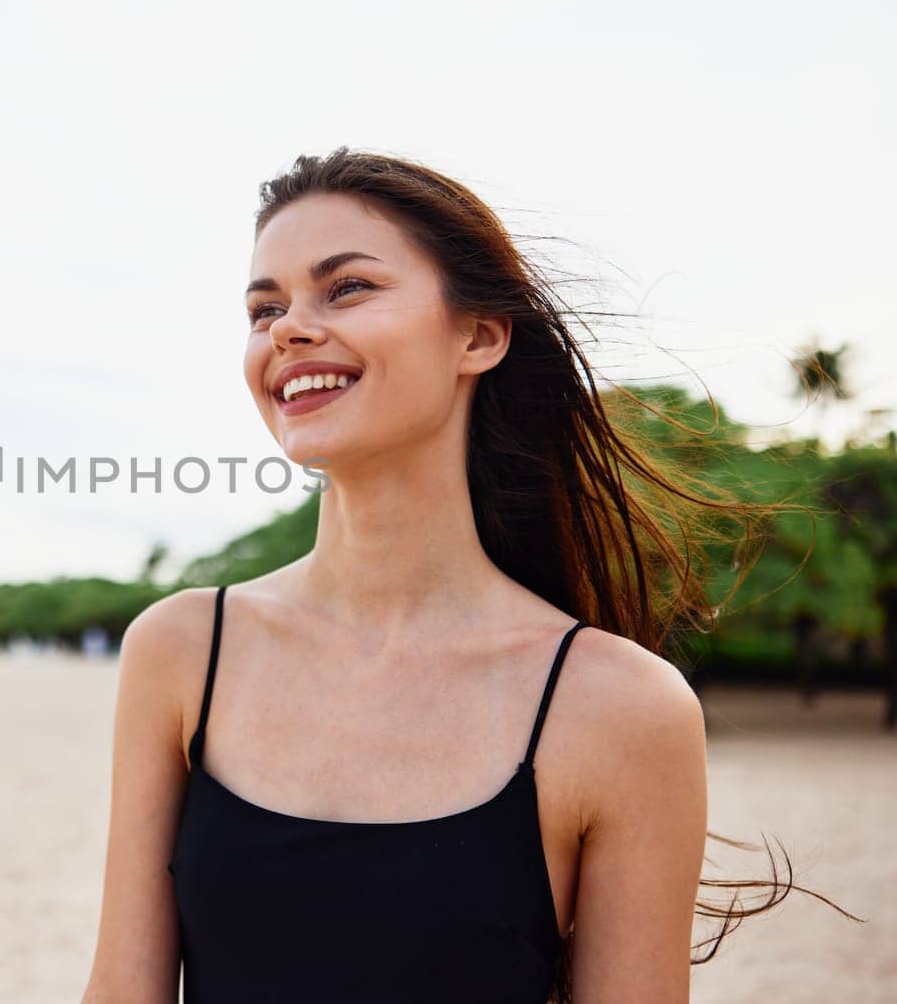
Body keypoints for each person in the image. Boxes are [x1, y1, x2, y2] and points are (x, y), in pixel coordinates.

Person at [81, 150, 840, 1003]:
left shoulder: (621, 708)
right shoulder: (183, 651)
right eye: (265, 307)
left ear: (478, 335)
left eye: (347, 288)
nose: (287, 328)